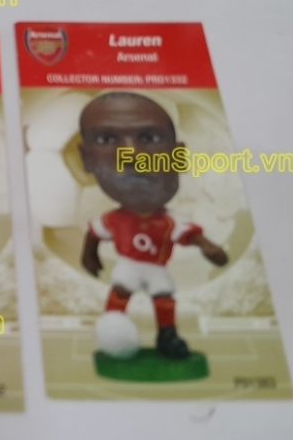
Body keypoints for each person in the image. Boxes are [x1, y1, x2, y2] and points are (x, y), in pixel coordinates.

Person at [78, 92, 227, 358]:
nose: (132, 155)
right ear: (87, 159)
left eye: (149, 138)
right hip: (129, 264)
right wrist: (89, 256)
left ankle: (167, 334)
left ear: (177, 157)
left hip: (156, 267)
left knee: (163, 295)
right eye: (107, 140)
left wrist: (207, 246)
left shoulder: (169, 221)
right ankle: (111, 323)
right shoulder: (115, 219)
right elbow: (94, 233)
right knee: (121, 288)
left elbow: (189, 235)